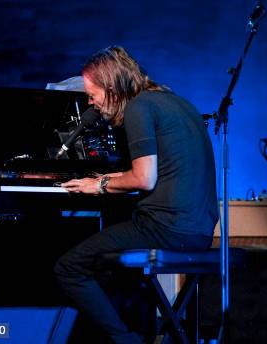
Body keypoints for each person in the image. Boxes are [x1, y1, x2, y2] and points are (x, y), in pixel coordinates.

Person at [54, 46, 218, 343]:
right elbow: (162, 169)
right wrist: (105, 177)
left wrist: (99, 186)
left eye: (92, 95)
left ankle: (125, 340)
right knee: (112, 268)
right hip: (199, 231)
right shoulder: (176, 102)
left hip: (166, 229)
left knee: (69, 267)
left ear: (112, 88)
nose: (91, 104)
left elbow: (144, 178)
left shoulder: (138, 108)